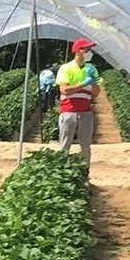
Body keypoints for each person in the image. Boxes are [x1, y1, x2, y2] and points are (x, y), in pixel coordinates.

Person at [56, 38, 101, 166]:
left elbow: (96, 93)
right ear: (78, 51)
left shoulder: (91, 69)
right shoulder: (66, 68)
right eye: (87, 49)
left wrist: (93, 82)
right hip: (68, 111)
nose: (90, 52)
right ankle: (62, 171)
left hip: (86, 113)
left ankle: (85, 171)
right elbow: (64, 90)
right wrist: (84, 84)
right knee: (65, 145)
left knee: (86, 147)